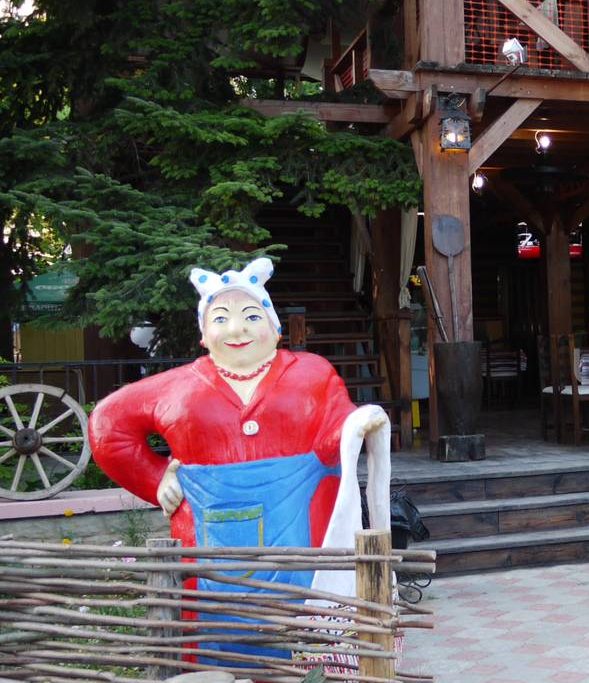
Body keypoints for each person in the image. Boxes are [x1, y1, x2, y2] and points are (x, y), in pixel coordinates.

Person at [89, 258, 389, 614]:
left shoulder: (311, 373)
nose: (236, 330)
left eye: (250, 316)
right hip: (206, 533)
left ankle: (307, 664)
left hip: (301, 526)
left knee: (305, 621)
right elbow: (109, 426)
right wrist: (155, 478)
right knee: (212, 623)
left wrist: (359, 424)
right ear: (203, 334)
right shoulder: (178, 386)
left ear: (274, 328)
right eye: (220, 319)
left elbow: (333, 432)